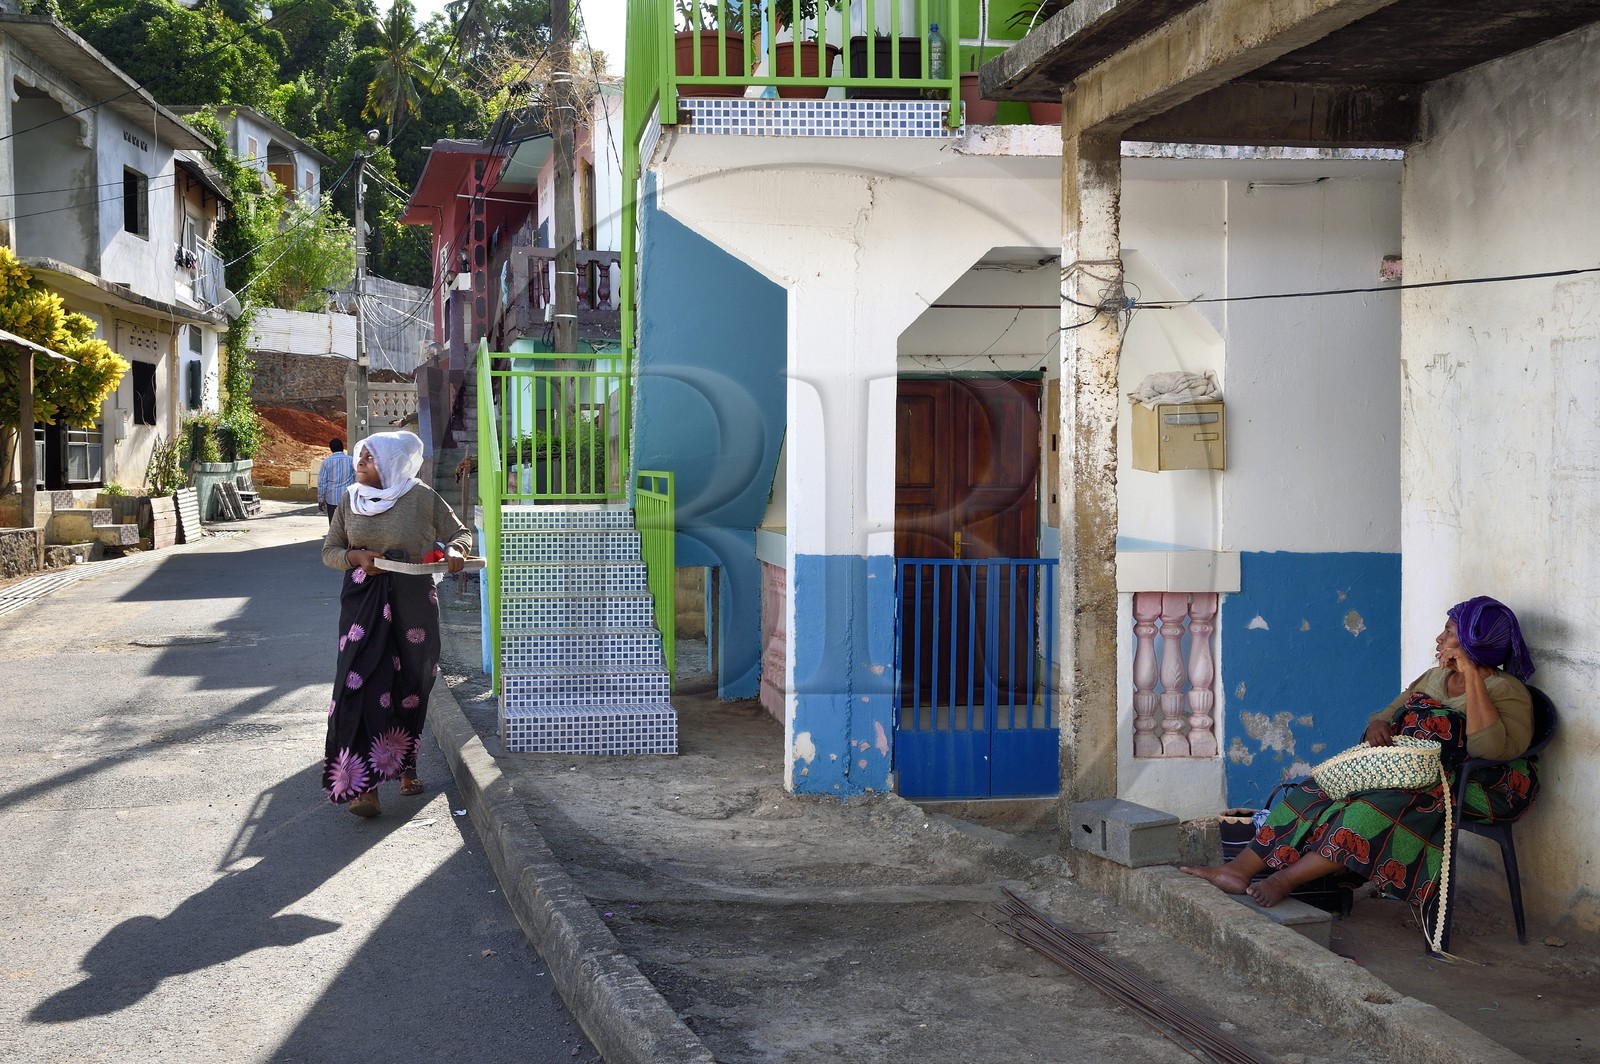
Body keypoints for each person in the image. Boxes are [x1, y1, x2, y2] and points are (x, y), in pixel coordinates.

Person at [1182, 596, 1539, 910]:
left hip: (1471, 784)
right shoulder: (1435, 677)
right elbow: (1387, 713)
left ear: (1474, 643)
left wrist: (1473, 674)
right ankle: (1237, 869)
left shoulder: (1507, 691)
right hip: (1407, 770)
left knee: (1368, 810)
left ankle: (1285, 880)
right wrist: (1378, 726)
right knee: (1315, 788)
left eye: (1449, 633)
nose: (1439, 639)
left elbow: (1489, 749)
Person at [320, 431, 472, 817]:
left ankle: (407, 765)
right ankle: (364, 787)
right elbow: (330, 550)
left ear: (390, 463)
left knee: (410, 684)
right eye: (361, 456)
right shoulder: (350, 499)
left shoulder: (420, 497)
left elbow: (460, 532)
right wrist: (355, 558)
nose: (360, 462)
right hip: (362, 603)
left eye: (369, 458)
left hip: (412, 599)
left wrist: (455, 550)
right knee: (358, 684)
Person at [317, 438, 356, 526]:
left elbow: (322, 483)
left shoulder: (326, 462)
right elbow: (357, 478)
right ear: (342, 447)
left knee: (334, 526)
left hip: (332, 500)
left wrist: (321, 500)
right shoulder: (351, 460)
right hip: (348, 499)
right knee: (348, 525)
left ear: (331, 449)